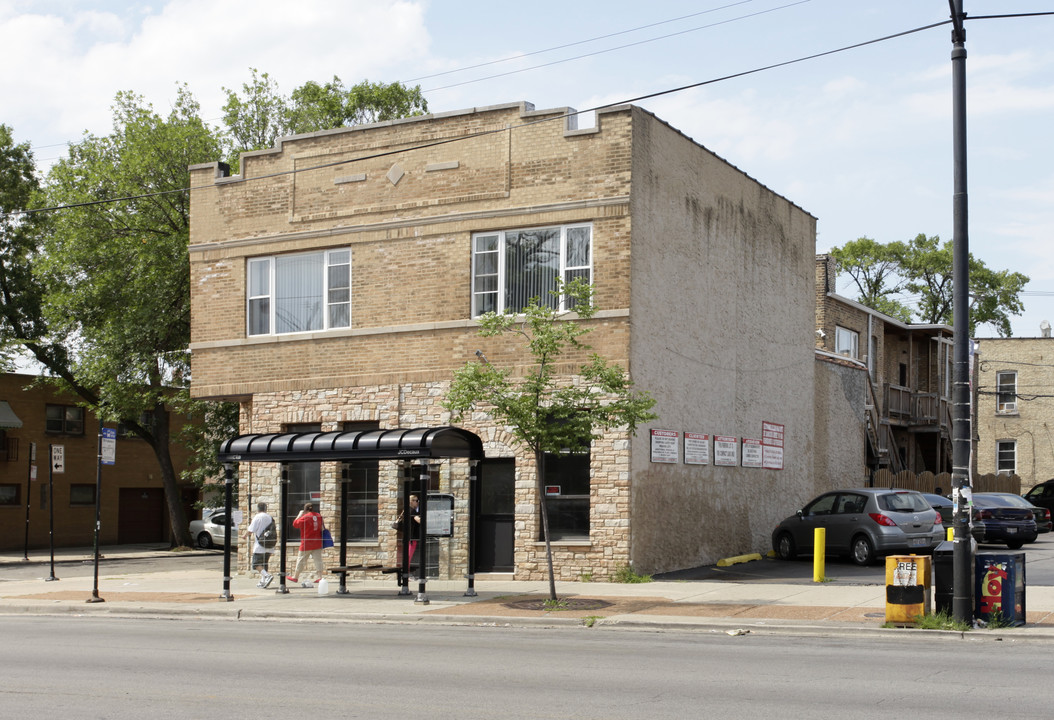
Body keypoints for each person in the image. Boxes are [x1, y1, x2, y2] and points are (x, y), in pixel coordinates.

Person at [288, 502, 325, 588]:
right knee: (318, 560)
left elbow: (295, 524)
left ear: (305, 510)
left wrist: (299, 515)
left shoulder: (305, 517)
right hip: (317, 542)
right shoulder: (318, 516)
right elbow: (322, 527)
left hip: (306, 543)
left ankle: (295, 577)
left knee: (301, 560)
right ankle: (320, 577)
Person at [246, 502, 275, 588]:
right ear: (266, 509)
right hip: (270, 544)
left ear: (258, 509)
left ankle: (267, 576)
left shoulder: (258, 517)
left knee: (256, 563)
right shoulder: (270, 517)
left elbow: (251, 530)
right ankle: (263, 582)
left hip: (260, 545)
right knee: (264, 563)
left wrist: (244, 535)